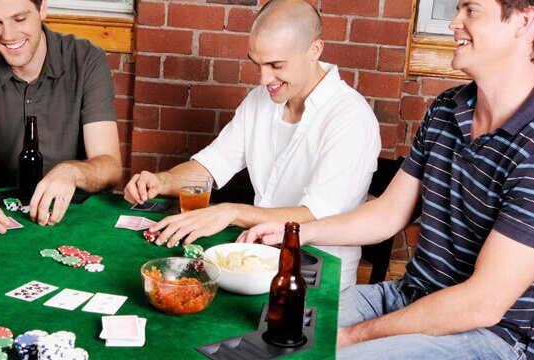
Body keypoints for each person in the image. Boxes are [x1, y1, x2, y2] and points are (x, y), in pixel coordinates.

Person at [240, 0, 534, 358]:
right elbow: (389, 213)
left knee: (322, 353)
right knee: (262, 326)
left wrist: (354, 336)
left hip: (491, 335)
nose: (453, 23)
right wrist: (295, 232)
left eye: (470, 10)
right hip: (408, 296)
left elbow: (482, 304)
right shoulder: (445, 109)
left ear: (523, 20)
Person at [125, 0, 381, 290]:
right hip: (255, 262)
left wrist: (232, 212)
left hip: (315, 277)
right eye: (257, 64)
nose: (263, 79)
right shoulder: (260, 100)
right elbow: (211, 166)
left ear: (314, 50)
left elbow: (315, 216)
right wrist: (161, 180)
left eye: (276, 65)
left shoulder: (351, 117)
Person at [0, 0, 122, 236]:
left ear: (42, 8)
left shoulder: (87, 59)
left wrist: (72, 172)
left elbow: (110, 166)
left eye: (19, 19)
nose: (8, 35)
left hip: (74, 204)